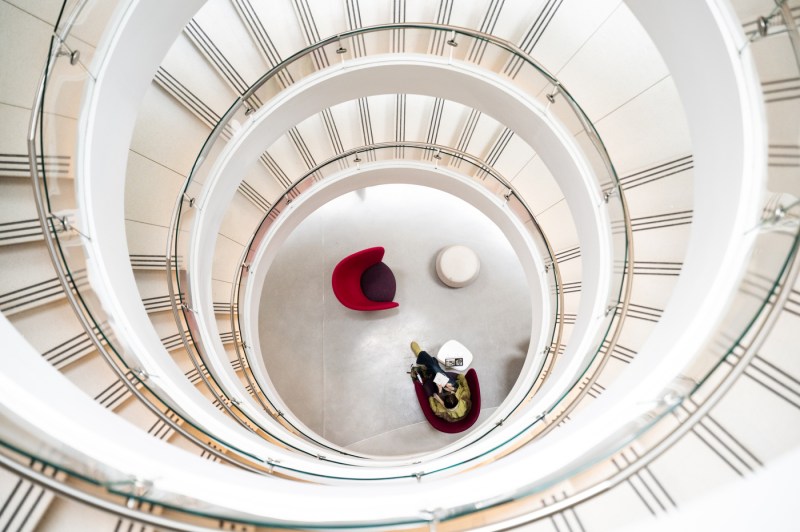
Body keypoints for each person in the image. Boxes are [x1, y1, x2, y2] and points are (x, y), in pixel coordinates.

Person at [411, 341, 471, 422]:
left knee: (435, 369)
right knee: (435, 368)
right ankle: (429, 360)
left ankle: (425, 358)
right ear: (457, 398)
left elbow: (433, 404)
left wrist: (438, 392)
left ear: (445, 406)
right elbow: (464, 383)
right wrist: (453, 388)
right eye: (453, 395)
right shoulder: (465, 400)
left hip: (440, 395)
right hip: (454, 387)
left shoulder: (442, 411)